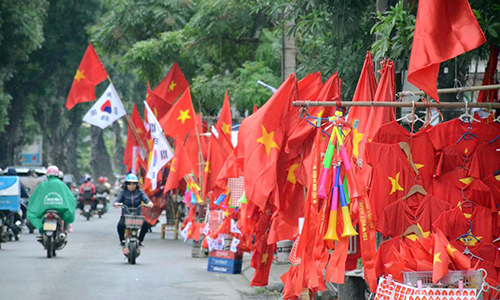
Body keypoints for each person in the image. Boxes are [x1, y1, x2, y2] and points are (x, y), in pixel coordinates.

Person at [27, 166, 76, 238]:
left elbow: (35, 199)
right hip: (59, 211)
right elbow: (70, 198)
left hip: (45, 211)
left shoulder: (42, 185)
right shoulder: (62, 185)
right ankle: (64, 231)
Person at [113, 173, 154, 247]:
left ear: (136, 184)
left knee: (145, 225)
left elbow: (146, 200)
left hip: (137, 216)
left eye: (134, 184)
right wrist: (116, 203)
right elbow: (117, 200)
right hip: (125, 216)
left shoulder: (140, 192)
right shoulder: (123, 193)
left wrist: (149, 203)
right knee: (120, 226)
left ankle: (140, 240)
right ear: (126, 184)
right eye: (129, 184)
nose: (131, 185)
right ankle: (122, 240)